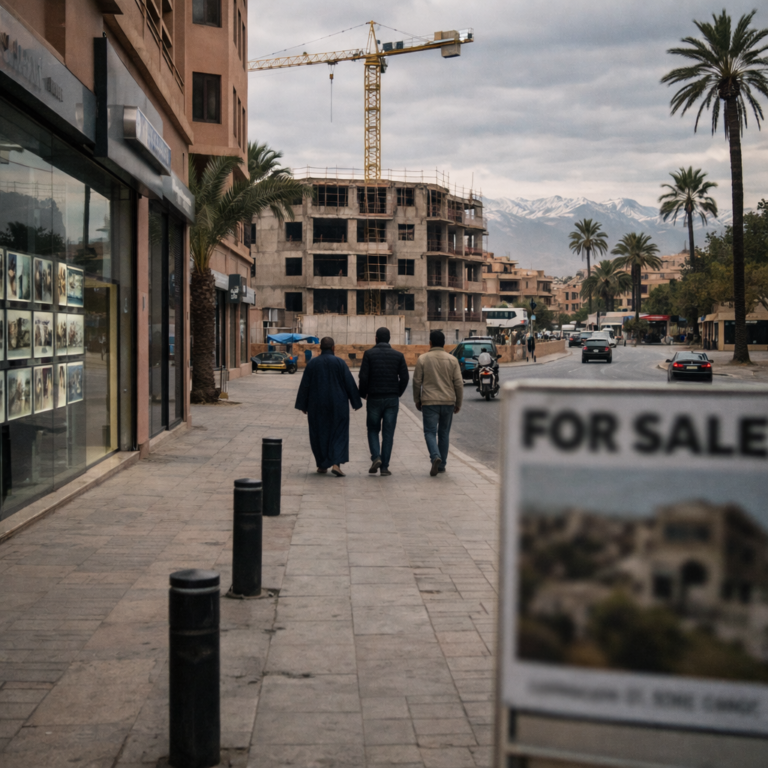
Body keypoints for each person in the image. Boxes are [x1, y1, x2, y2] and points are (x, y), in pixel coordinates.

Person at [295, 336, 362, 476]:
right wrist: (356, 402)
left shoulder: (312, 364)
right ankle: (336, 463)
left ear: (320, 348)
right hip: (338, 404)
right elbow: (349, 383)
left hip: (317, 404)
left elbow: (305, 385)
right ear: (333, 348)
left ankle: (322, 465)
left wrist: (302, 404)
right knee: (339, 432)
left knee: (318, 433)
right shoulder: (340, 363)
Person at [358, 327, 409, 477]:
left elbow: (363, 377)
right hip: (392, 399)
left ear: (376, 339)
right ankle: (385, 467)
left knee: (373, 429)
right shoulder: (398, 356)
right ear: (389, 339)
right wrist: (397, 392)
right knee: (388, 433)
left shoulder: (369, 354)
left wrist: (363, 394)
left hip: (374, 397)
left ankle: (376, 457)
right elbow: (405, 378)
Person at [413, 330, 463, 476]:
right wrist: (458, 402)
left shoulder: (423, 359)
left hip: (429, 402)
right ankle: (442, 465)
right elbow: (459, 383)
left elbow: (416, 382)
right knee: (444, 433)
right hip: (448, 402)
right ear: (444, 343)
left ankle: (435, 456)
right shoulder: (452, 360)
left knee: (429, 432)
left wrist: (417, 400)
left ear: (430, 343)